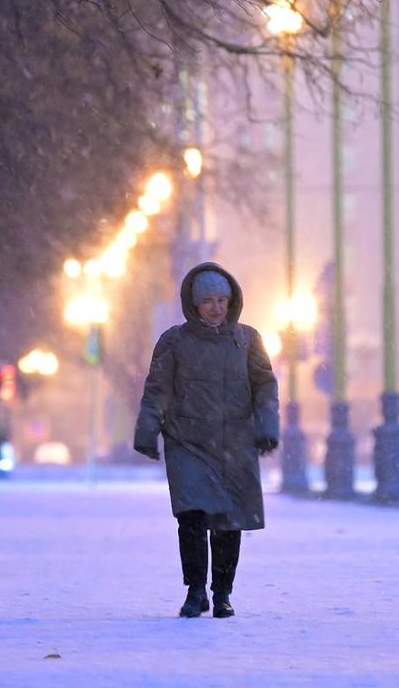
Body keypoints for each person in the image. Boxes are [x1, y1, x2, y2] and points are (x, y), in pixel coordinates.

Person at [133, 262, 280, 618]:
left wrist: (267, 426)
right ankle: (195, 589)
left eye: (221, 300)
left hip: (235, 444)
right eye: (208, 301)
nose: (216, 308)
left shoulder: (247, 340)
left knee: (229, 522)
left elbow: (265, 387)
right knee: (192, 517)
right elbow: (157, 390)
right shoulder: (174, 342)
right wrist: (147, 429)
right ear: (195, 304)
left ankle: (222, 593)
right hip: (188, 444)